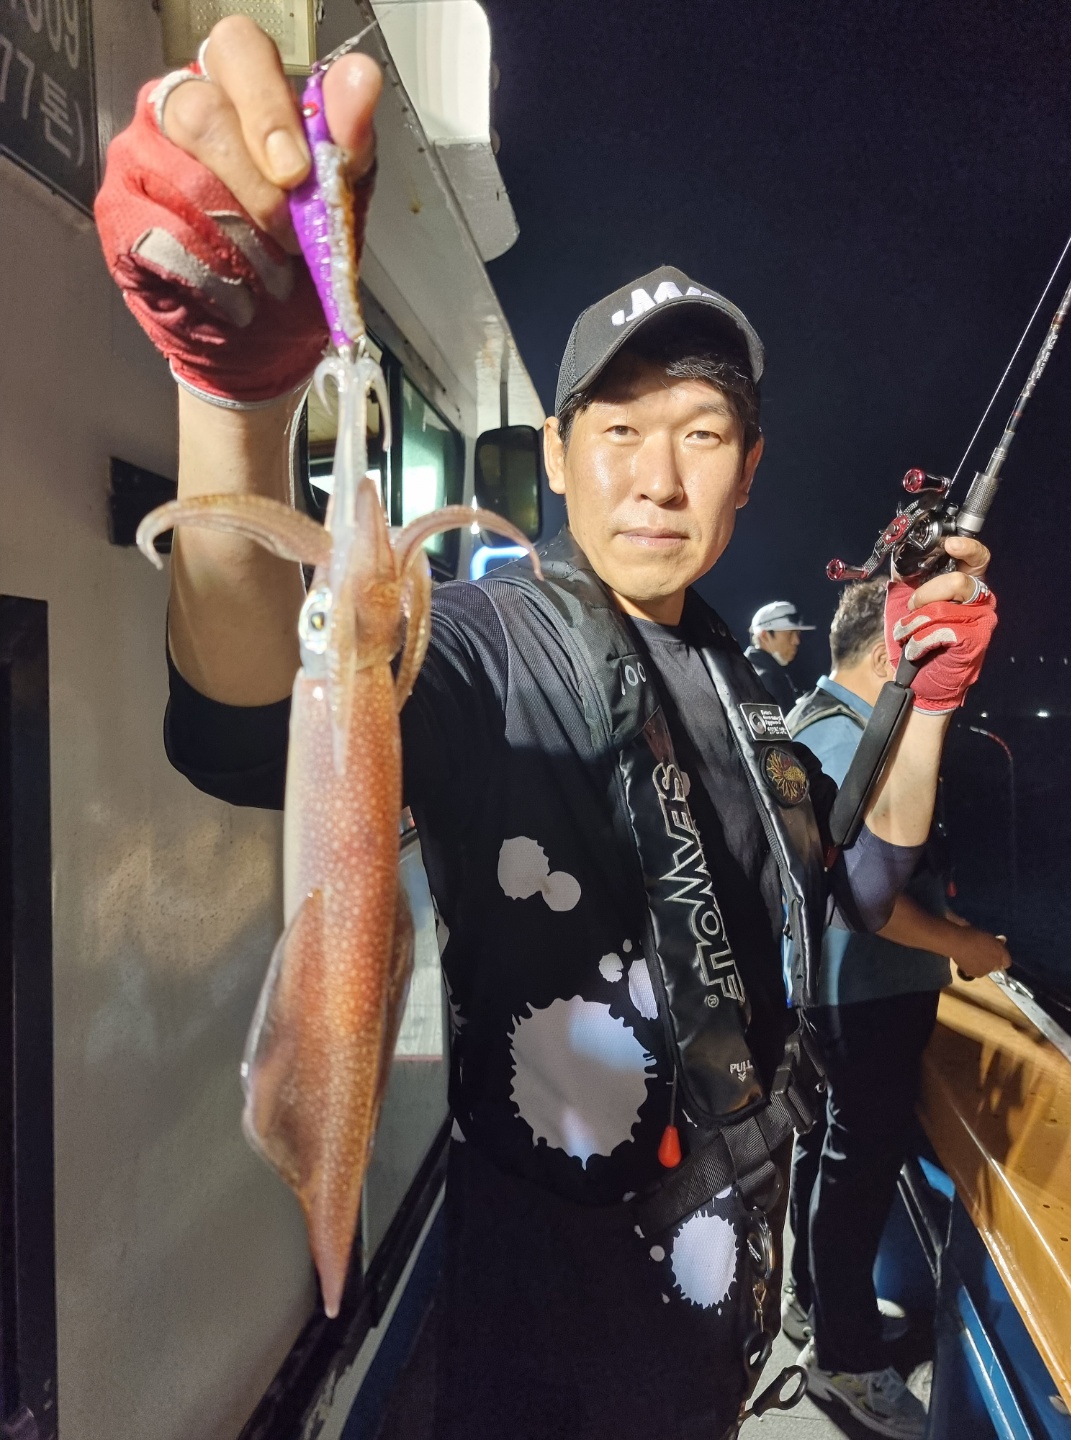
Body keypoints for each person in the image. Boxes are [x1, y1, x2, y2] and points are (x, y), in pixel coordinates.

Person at [92, 21, 999, 1438]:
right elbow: (247, 717)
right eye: (618, 429)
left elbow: (865, 880)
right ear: (560, 459)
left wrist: (920, 699)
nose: (658, 476)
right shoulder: (485, 641)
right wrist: (232, 402)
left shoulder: (745, 690)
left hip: (725, 1305)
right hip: (549, 1333)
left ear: (750, 473)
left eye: (702, 433)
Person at [784, 577, 1010, 1437]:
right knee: (857, 1170)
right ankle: (843, 1360)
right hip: (866, 994)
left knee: (826, 1149)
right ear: (891, 655)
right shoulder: (852, 741)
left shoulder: (814, 720)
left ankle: (815, 1306)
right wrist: (964, 944)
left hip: (834, 992)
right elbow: (859, 898)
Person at [745, 601, 814, 708]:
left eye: (798, 633)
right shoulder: (765, 679)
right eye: (790, 634)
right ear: (764, 636)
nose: (796, 641)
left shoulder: (751, 669)